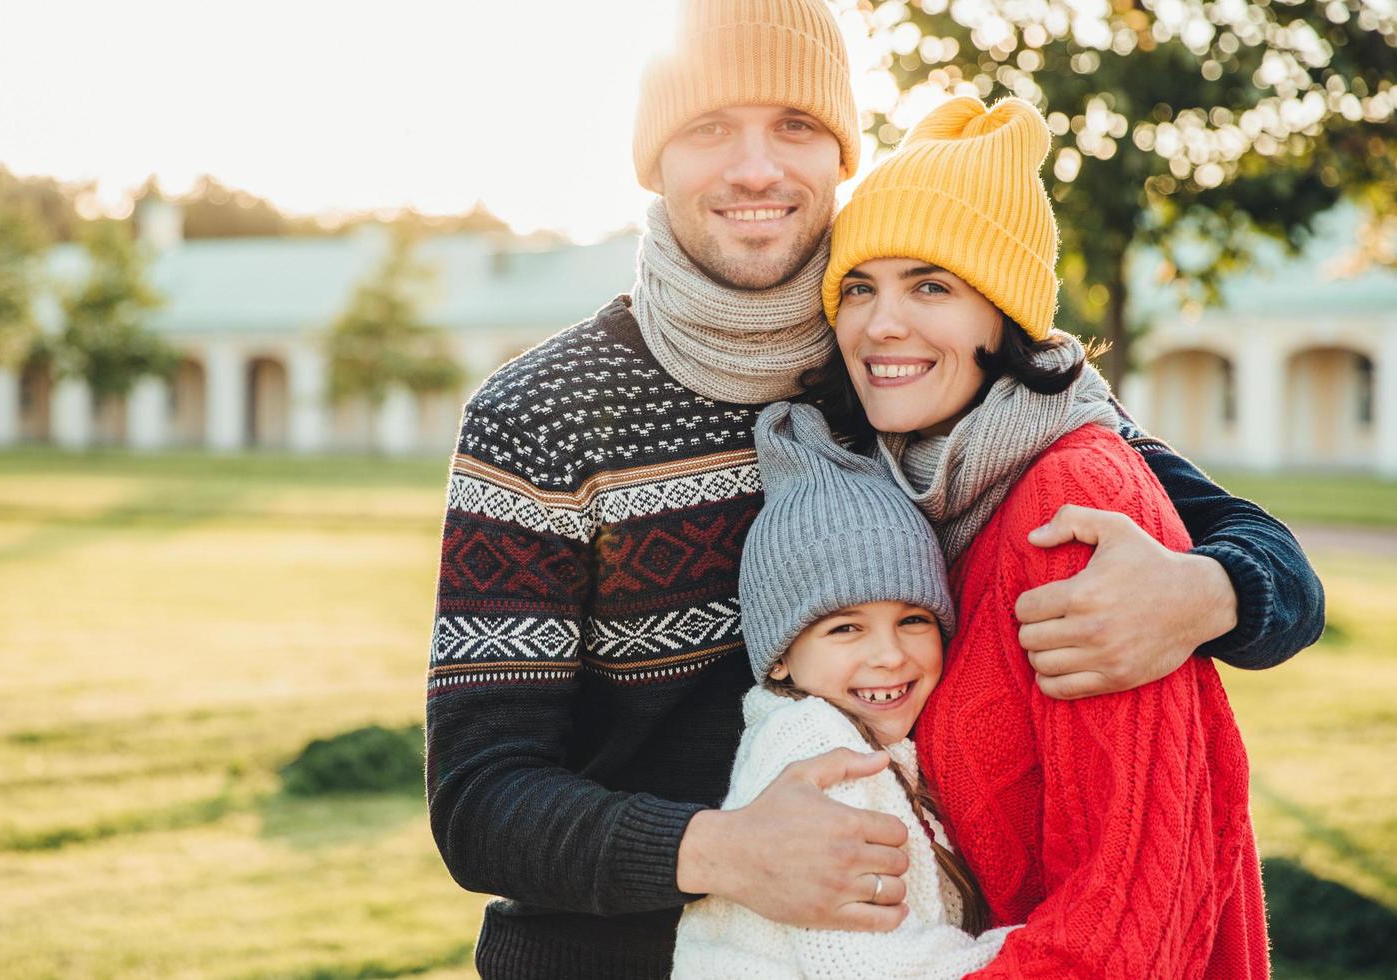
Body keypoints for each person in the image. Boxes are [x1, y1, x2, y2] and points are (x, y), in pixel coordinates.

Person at [425, 1, 1319, 976]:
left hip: (906, 944)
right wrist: (726, 850)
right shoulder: (540, 413)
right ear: (654, 161)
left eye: (796, 126)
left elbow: (1264, 559)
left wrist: (1210, 590)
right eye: (709, 128)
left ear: (841, 155)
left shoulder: (899, 364)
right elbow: (479, 799)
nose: (758, 167)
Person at [816, 93, 1269, 976]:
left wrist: (1220, 588)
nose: (881, 324)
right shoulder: (907, 493)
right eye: (860, 287)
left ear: (1004, 316)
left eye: (932, 286)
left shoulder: (1071, 498)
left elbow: (1137, 919)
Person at [671, 399, 1018, 978]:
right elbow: (867, 962)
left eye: (914, 620)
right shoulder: (815, 747)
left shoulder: (875, 739)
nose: (888, 655)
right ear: (780, 657)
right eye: (846, 628)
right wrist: (1047, 947)